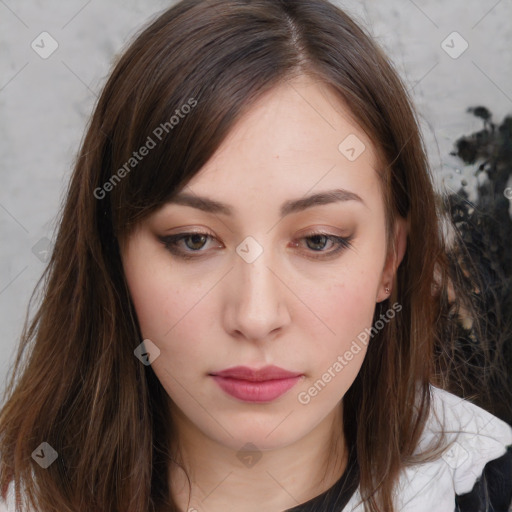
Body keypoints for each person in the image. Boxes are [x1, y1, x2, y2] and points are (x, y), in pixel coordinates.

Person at [0, 1, 511, 511]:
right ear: (114, 256)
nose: (256, 316)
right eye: (193, 240)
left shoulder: (487, 488)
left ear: (389, 261)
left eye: (318, 240)